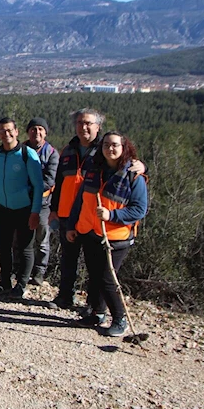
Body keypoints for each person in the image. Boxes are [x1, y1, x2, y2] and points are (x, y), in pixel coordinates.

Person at [48, 108, 145, 309]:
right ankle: (65, 297)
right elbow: (58, 182)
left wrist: (143, 167)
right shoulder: (68, 150)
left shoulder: (104, 149)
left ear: (97, 127)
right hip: (70, 215)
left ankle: (94, 307)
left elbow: (127, 167)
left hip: (97, 220)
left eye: (88, 123)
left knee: (97, 268)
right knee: (68, 260)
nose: (83, 127)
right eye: (80, 123)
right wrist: (54, 209)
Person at [66, 132, 148, 337]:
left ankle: (120, 319)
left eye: (114, 145)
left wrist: (112, 215)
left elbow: (139, 209)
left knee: (107, 278)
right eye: (106, 145)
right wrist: (72, 225)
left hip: (116, 237)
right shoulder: (94, 171)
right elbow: (80, 201)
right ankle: (97, 312)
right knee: (94, 276)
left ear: (123, 148)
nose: (110, 149)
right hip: (89, 231)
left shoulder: (133, 176)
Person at [0, 117, 43, 298]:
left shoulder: (27, 154)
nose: (6, 134)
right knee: (3, 247)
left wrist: (35, 212)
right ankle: (5, 282)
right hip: (2, 208)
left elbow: (39, 186)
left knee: (25, 248)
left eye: (9, 130)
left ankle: (22, 284)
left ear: (17, 132)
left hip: (24, 209)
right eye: (2, 131)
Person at [24, 117, 58, 285]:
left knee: (42, 239)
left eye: (40, 129)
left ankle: (39, 272)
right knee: (21, 238)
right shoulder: (20, 150)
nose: (36, 132)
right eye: (33, 129)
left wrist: (29, 189)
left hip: (43, 204)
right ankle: (21, 270)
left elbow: (50, 180)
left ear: (45, 132)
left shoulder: (52, 153)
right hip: (22, 203)